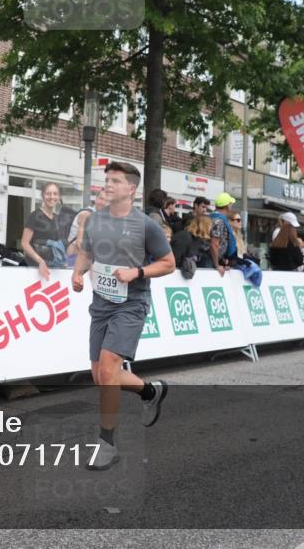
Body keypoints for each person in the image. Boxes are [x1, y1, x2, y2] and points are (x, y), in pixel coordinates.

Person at [71, 161, 175, 471]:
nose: (108, 185)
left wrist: (137, 272)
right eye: (107, 180)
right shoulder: (96, 221)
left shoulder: (146, 225)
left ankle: (107, 444)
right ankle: (150, 391)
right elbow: (87, 253)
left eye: (115, 180)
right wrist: (77, 274)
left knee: (108, 369)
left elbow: (169, 262)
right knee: (100, 375)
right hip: (101, 304)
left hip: (131, 305)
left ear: (131, 188)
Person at [21, 182, 70, 280]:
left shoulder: (58, 219)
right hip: (34, 270)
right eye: (48, 193)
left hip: (53, 269)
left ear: (59, 196)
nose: (52, 197)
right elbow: (24, 243)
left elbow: (60, 245)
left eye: (55, 194)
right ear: (43, 196)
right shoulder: (35, 216)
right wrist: (40, 261)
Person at [67, 190, 110, 261]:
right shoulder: (87, 214)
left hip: (86, 260)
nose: (103, 203)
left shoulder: (101, 217)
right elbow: (80, 243)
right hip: (73, 258)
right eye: (101, 199)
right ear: (96, 199)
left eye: (107, 201)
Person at [208, 192, 238, 274]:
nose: (231, 206)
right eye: (231, 204)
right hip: (211, 262)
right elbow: (214, 244)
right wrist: (217, 264)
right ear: (228, 206)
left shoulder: (212, 218)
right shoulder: (218, 221)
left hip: (215, 260)